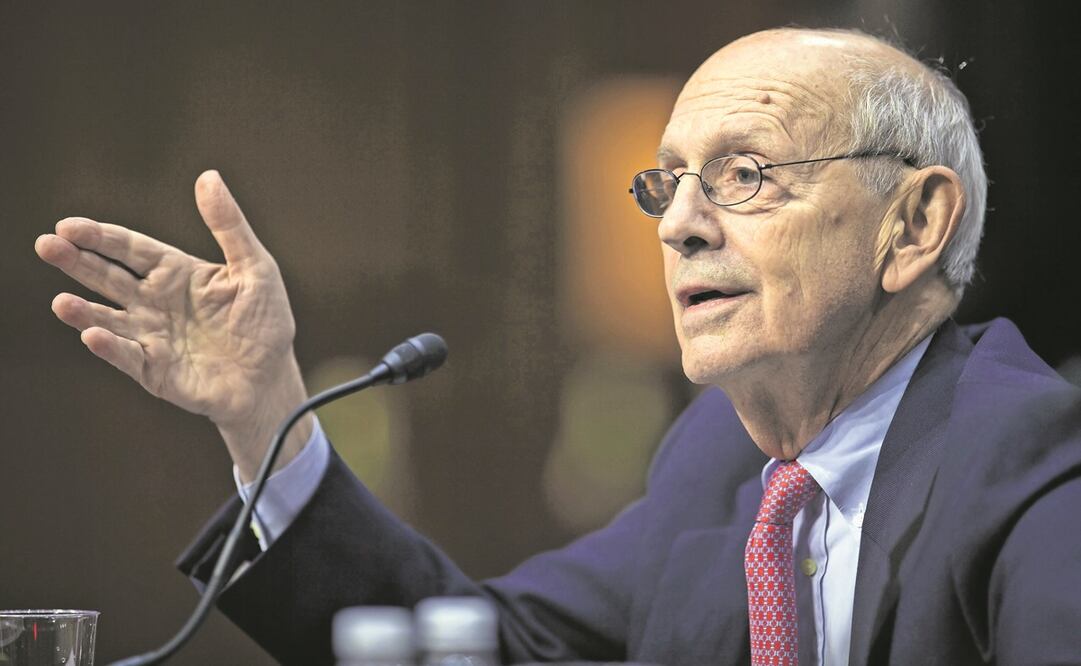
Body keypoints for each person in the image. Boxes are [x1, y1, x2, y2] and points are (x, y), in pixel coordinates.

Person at [34, 26, 1081, 666]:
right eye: (665, 183)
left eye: (747, 175)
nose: (677, 226)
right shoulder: (722, 465)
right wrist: (264, 410)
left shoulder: (1033, 464)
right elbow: (480, 652)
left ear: (912, 226)